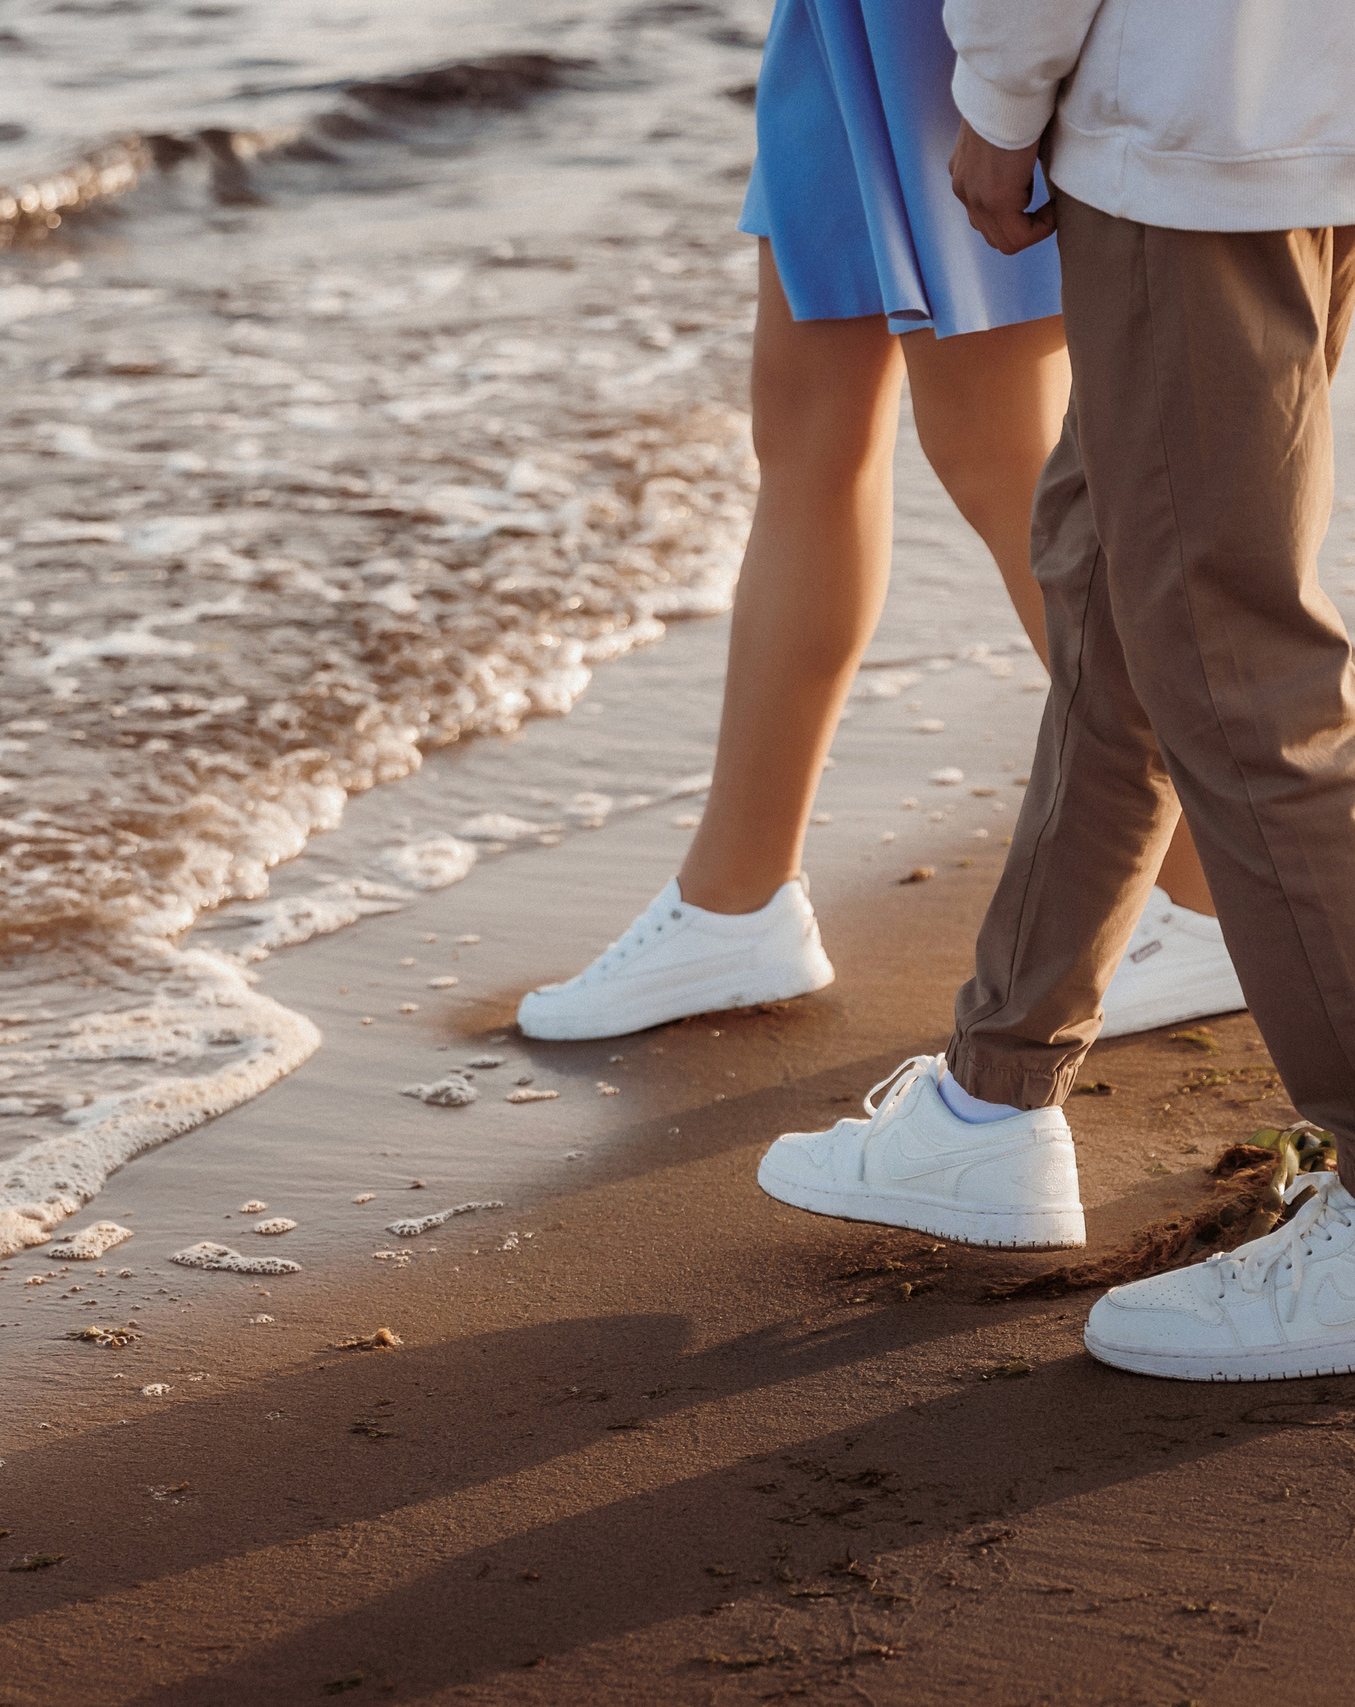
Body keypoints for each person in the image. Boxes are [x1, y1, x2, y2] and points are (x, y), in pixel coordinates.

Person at [755, 0, 1355, 1381]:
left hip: (1196, 110)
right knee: (1120, 578)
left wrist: (1001, 101)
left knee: (1232, 650)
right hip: (1336, 88)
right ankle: (994, 1095)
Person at [512, 0, 1246, 1046]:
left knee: (1004, 451)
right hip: (830, 25)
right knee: (807, 431)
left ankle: (1218, 889)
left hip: (934, 26)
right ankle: (736, 900)